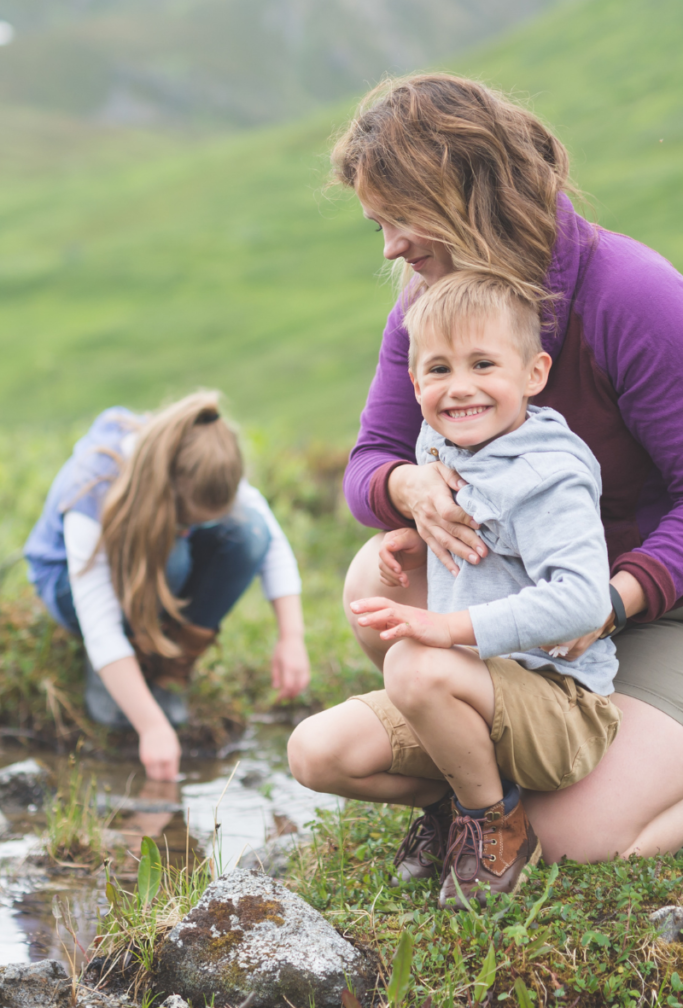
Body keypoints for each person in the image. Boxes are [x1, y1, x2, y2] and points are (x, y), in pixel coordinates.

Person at [287, 72, 683, 873]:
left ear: (471, 191)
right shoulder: (431, 304)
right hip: (524, 603)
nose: (393, 246)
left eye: (402, 217)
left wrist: (613, 599)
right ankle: (487, 795)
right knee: (377, 575)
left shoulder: (632, 297)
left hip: (651, 607)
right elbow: (370, 459)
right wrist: (406, 488)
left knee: (577, 840)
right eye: (378, 227)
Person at [348, 270, 622, 908]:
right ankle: (461, 806)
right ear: (414, 382)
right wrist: (416, 539)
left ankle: (491, 826)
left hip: (562, 706)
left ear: (533, 373)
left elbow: (583, 600)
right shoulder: (441, 444)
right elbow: (493, 542)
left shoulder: (548, 472)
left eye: (482, 364)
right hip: (481, 688)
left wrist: (448, 629)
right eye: (438, 369)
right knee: (313, 753)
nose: (460, 387)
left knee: (413, 665)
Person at [25, 392, 310, 780]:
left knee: (248, 532)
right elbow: (99, 623)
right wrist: (151, 727)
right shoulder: (93, 488)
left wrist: (291, 637)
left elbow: (270, 541)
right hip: (68, 585)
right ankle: (121, 674)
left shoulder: (208, 461)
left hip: (147, 562)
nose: (191, 529)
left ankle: (165, 668)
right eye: (186, 518)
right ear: (165, 488)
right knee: (172, 555)